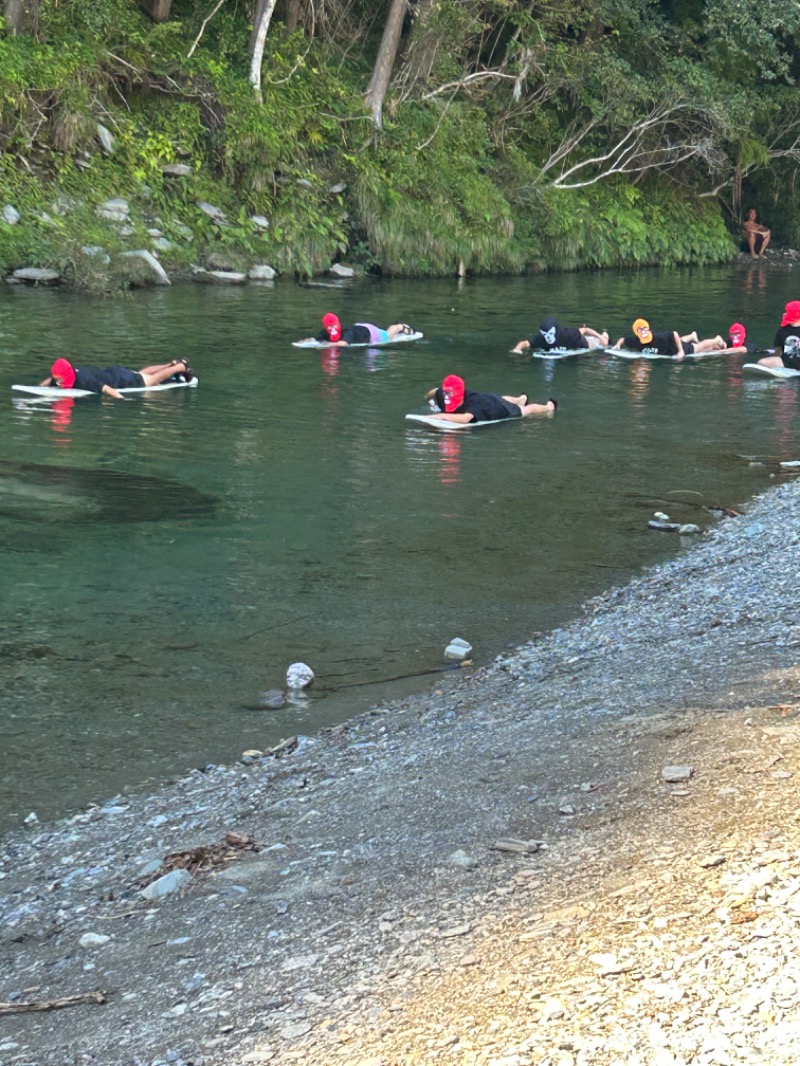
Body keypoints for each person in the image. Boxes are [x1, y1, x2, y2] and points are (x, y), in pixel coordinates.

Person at [423, 374, 556, 424]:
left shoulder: (475, 404)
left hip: (496, 408)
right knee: (498, 398)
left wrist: (440, 416)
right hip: (488, 398)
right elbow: (433, 392)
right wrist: (429, 400)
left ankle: (548, 407)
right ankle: (520, 398)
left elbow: (465, 419)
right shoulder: (443, 393)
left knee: (525, 411)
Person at [40, 357, 196, 399]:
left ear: (66, 376)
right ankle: (170, 365)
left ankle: (180, 367)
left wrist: (122, 400)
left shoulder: (86, 381)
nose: (58, 382)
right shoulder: (69, 373)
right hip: (115, 372)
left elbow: (107, 389)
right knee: (142, 373)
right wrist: (40, 389)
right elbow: (50, 380)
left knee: (151, 381)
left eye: (60, 380)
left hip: (120, 381)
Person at [612, 318, 725, 359]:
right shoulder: (635, 341)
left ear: (649, 329)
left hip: (675, 350)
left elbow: (674, 334)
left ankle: (717, 339)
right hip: (668, 348)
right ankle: (692, 336)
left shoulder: (659, 337)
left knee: (699, 346)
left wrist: (681, 351)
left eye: (644, 330)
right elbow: (623, 339)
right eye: (640, 332)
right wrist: (618, 345)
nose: (644, 335)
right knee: (678, 341)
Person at [301, 313, 416, 347]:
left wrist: (326, 344)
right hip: (360, 328)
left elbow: (343, 344)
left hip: (371, 333)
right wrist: (304, 342)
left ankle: (400, 327)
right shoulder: (326, 332)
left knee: (388, 336)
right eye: (329, 327)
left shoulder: (347, 333)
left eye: (333, 326)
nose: (332, 329)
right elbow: (314, 338)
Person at [512, 316, 608, 354]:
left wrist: (600, 337)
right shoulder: (541, 339)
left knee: (604, 342)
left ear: (555, 331)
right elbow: (524, 343)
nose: (548, 337)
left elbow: (585, 330)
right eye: (545, 334)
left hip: (585, 344)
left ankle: (604, 333)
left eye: (550, 334)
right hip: (570, 349)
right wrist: (517, 349)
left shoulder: (566, 333)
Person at [758, 300, 800, 370]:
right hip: (786, 362)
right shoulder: (782, 329)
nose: (785, 314)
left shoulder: (782, 329)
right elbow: (778, 350)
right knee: (761, 362)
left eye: (787, 312)